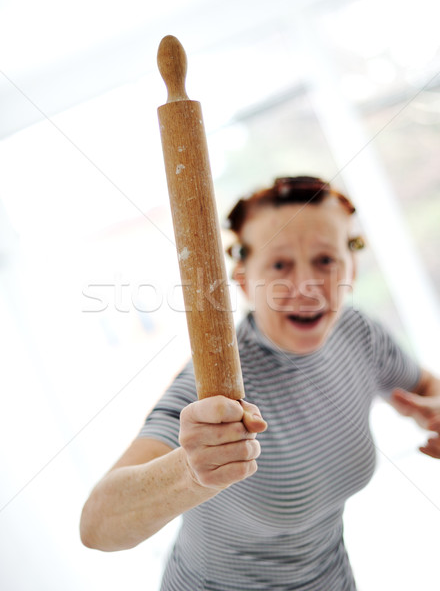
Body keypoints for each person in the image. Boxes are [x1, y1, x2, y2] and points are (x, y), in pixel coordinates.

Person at [80, 176, 440, 591]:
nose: (306, 286)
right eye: (280, 264)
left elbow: (426, 387)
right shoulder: (215, 384)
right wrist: (190, 470)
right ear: (245, 280)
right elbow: (97, 525)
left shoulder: (359, 334)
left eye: (325, 260)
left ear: (351, 267)